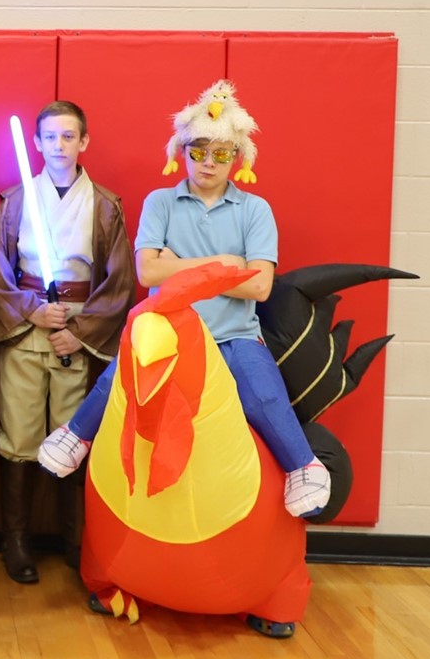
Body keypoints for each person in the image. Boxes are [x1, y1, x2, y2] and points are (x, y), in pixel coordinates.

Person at [43, 81, 331, 521]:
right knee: (123, 374)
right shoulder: (161, 202)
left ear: (237, 157)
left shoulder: (255, 210)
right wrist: (224, 263)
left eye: (221, 154)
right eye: (198, 152)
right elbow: (147, 273)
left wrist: (179, 265)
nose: (209, 163)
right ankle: (78, 434)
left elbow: (259, 287)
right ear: (182, 152)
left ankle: (303, 465)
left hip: (235, 336)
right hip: (168, 333)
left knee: (264, 395)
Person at [0, 101, 137, 585]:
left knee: (75, 435)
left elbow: (121, 281)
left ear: (84, 142)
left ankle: (75, 536)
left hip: (80, 329)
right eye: (50, 137)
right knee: (19, 435)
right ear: (37, 143)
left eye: (69, 137)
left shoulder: (104, 205)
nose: (59, 146)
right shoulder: (16, 201)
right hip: (28, 325)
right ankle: (16, 540)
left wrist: (79, 331)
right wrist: (30, 309)